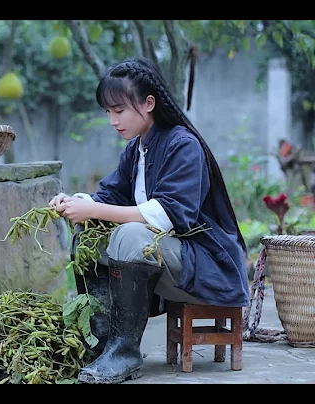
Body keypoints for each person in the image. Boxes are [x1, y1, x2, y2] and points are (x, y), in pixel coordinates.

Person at [48, 56, 250, 384]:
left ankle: (125, 352)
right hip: (171, 265)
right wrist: (74, 204)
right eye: (108, 112)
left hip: (207, 271)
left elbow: (166, 216)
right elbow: (105, 198)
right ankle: (101, 342)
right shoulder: (136, 150)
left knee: (130, 235)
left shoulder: (183, 145)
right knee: (90, 235)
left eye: (120, 110)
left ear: (149, 104)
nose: (113, 120)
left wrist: (95, 211)